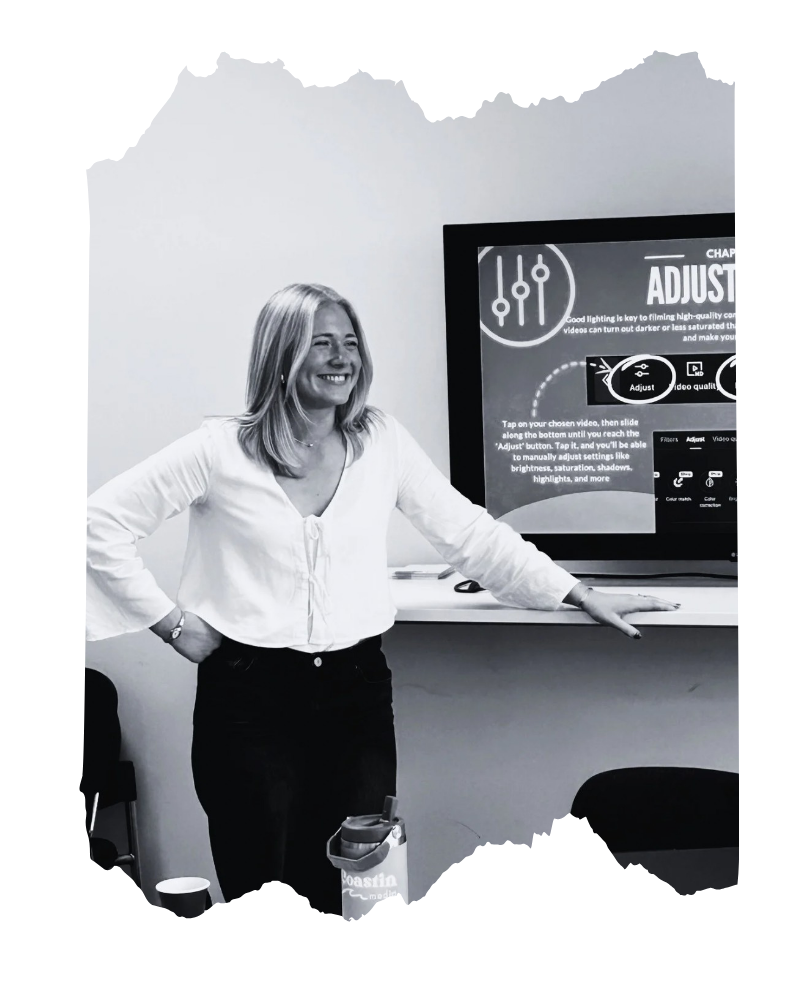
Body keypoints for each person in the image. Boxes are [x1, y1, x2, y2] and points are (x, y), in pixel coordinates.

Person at [86, 282, 678, 930]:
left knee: (361, 886)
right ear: (281, 354)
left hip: (355, 692)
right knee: (262, 889)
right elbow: (99, 523)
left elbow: (469, 534)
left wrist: (576, 591)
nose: (342, 357)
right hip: (249, 699)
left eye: (350, 342)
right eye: (321, 342)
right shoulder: (219, 448)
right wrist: (171, 624)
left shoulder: (381, 440)